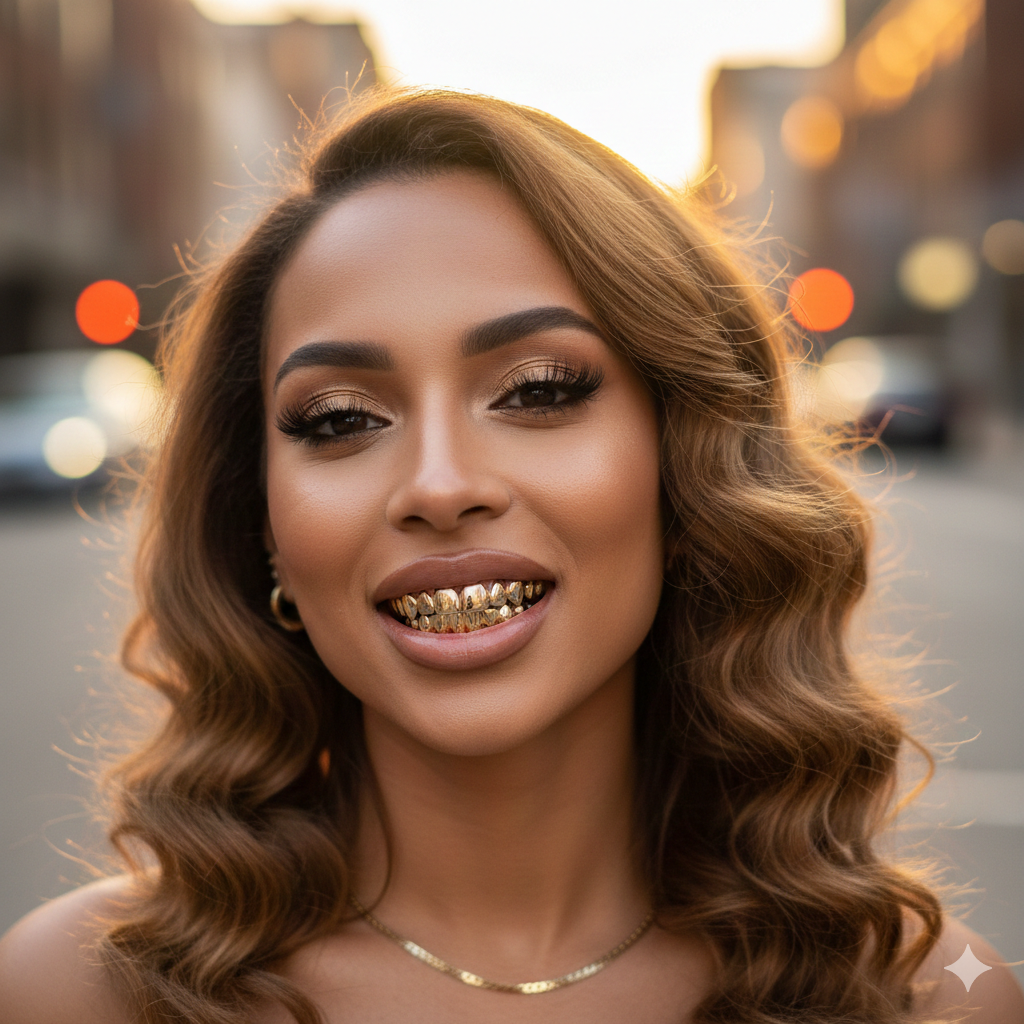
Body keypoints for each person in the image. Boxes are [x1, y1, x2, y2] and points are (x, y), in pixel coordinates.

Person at [1, 87, 1022, 1024]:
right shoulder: (77, 989)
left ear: (685, 459)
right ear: (260, 520)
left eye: (538, 390)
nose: (440, 485)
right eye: (341, 417)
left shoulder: (934, 995)